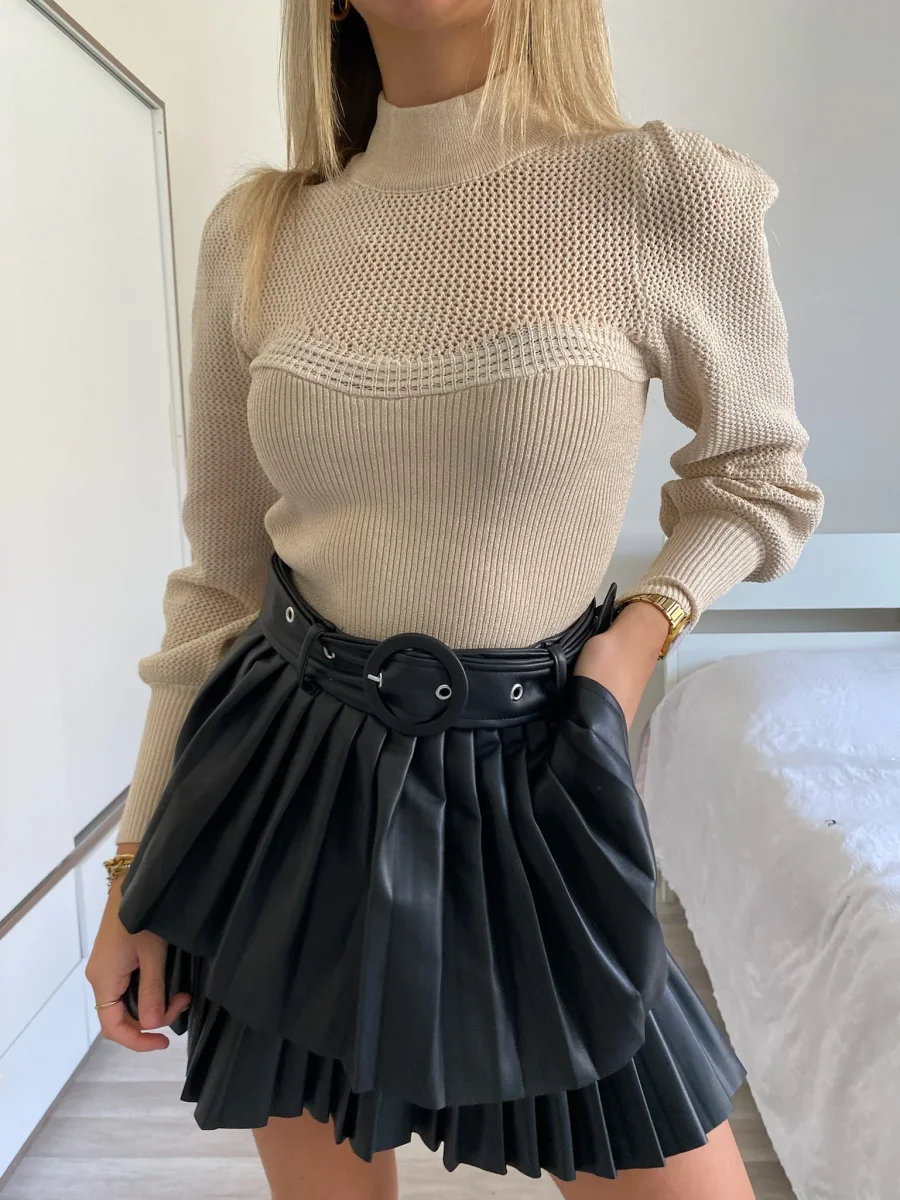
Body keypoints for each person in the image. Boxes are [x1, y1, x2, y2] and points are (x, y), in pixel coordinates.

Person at [85, 1, 824, 1196]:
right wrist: (135, 868)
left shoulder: (661, 190)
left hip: (533, 778)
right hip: (285, 780)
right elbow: (218, 583)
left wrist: (631, 647)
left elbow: (756, 481)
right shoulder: (260, 233)